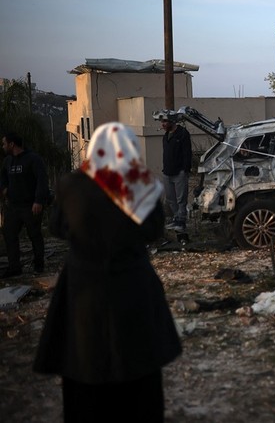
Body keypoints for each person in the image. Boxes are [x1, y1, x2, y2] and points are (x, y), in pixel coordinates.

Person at [34, 122, 182, 423]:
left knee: (83, 360)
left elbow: (57, 228)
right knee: (138, 365)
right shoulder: (141, 185)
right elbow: (154, 231)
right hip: (133, 285)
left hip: (82, 287)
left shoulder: (71, 185)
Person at [0, 131, 50, 277]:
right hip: (13, 206)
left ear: (12, 144)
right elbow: (2, 176)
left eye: (4, 143)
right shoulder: (7, 161)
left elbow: (42, 180)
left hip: (30, 205)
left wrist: (38, 201)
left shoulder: (33, 159)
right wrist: (4, 189)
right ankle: (14, 267)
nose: (3, 146)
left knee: (34, 235)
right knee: (9, 234)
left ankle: (39, 265)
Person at [159, 114, 192, 232]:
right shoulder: (166, 136)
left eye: (165, 121)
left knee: (181, 199)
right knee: (170, 199)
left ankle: (181, 222)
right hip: (167, 172)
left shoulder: (182, 134)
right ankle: (176, 218)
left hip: (179, 173)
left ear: (172, 121)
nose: (162, 124)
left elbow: (187, 153)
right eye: (162, 122)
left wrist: (185, 170)